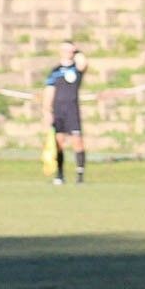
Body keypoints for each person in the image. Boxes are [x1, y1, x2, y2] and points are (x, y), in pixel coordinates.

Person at [43, 40, 88, 185]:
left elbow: (83, 63)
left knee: (77, 141)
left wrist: (77, 51)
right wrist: (47, 110)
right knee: (59, 142)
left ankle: (80, 175)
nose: (68, 52)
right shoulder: (55, 71)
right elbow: (49, 91)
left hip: (72, 109)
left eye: (70, 50)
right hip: (58, 110)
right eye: (65, 50)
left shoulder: (77, 68)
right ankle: (60, 174)